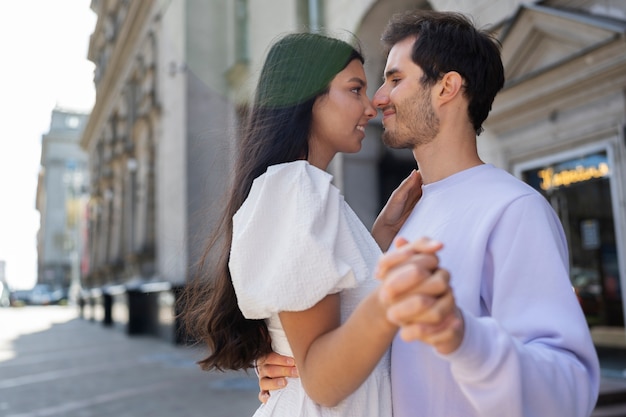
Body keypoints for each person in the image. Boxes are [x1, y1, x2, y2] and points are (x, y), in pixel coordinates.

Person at [256, 10, 601, 417]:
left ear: (447, 87)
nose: (378, 98)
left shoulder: (513, 210)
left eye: (395, 79)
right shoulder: (408, 214)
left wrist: (464, 336)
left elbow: (569, 388)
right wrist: (292, 367)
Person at [179, 31, 451, 416]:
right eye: (355, 89)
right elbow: (322, 379)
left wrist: (382, 234)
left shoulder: (301, 188)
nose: (371, 107)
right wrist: (399, 294)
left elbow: (331, 308)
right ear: (308, 95)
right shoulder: (298, 187)